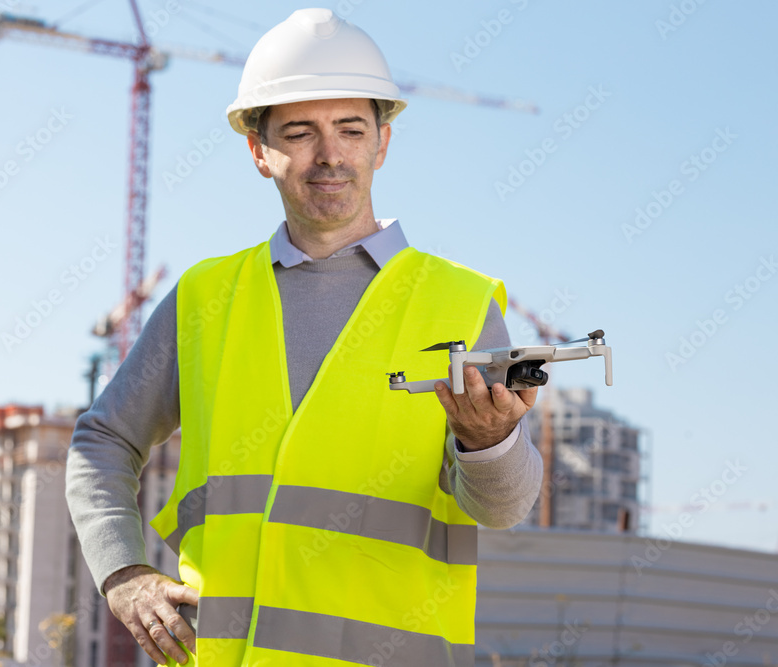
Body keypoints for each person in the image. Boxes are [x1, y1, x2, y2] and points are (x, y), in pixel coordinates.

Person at [66, 8, 543, 666]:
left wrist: (490, 444)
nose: (330, 154)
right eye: (300, 132)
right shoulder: (206, 298)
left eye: (351, 129)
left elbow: (505, 508)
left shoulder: (457, 303)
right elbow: (102, 440)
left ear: (382, 143)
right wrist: (123, 572)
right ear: (259, 151)